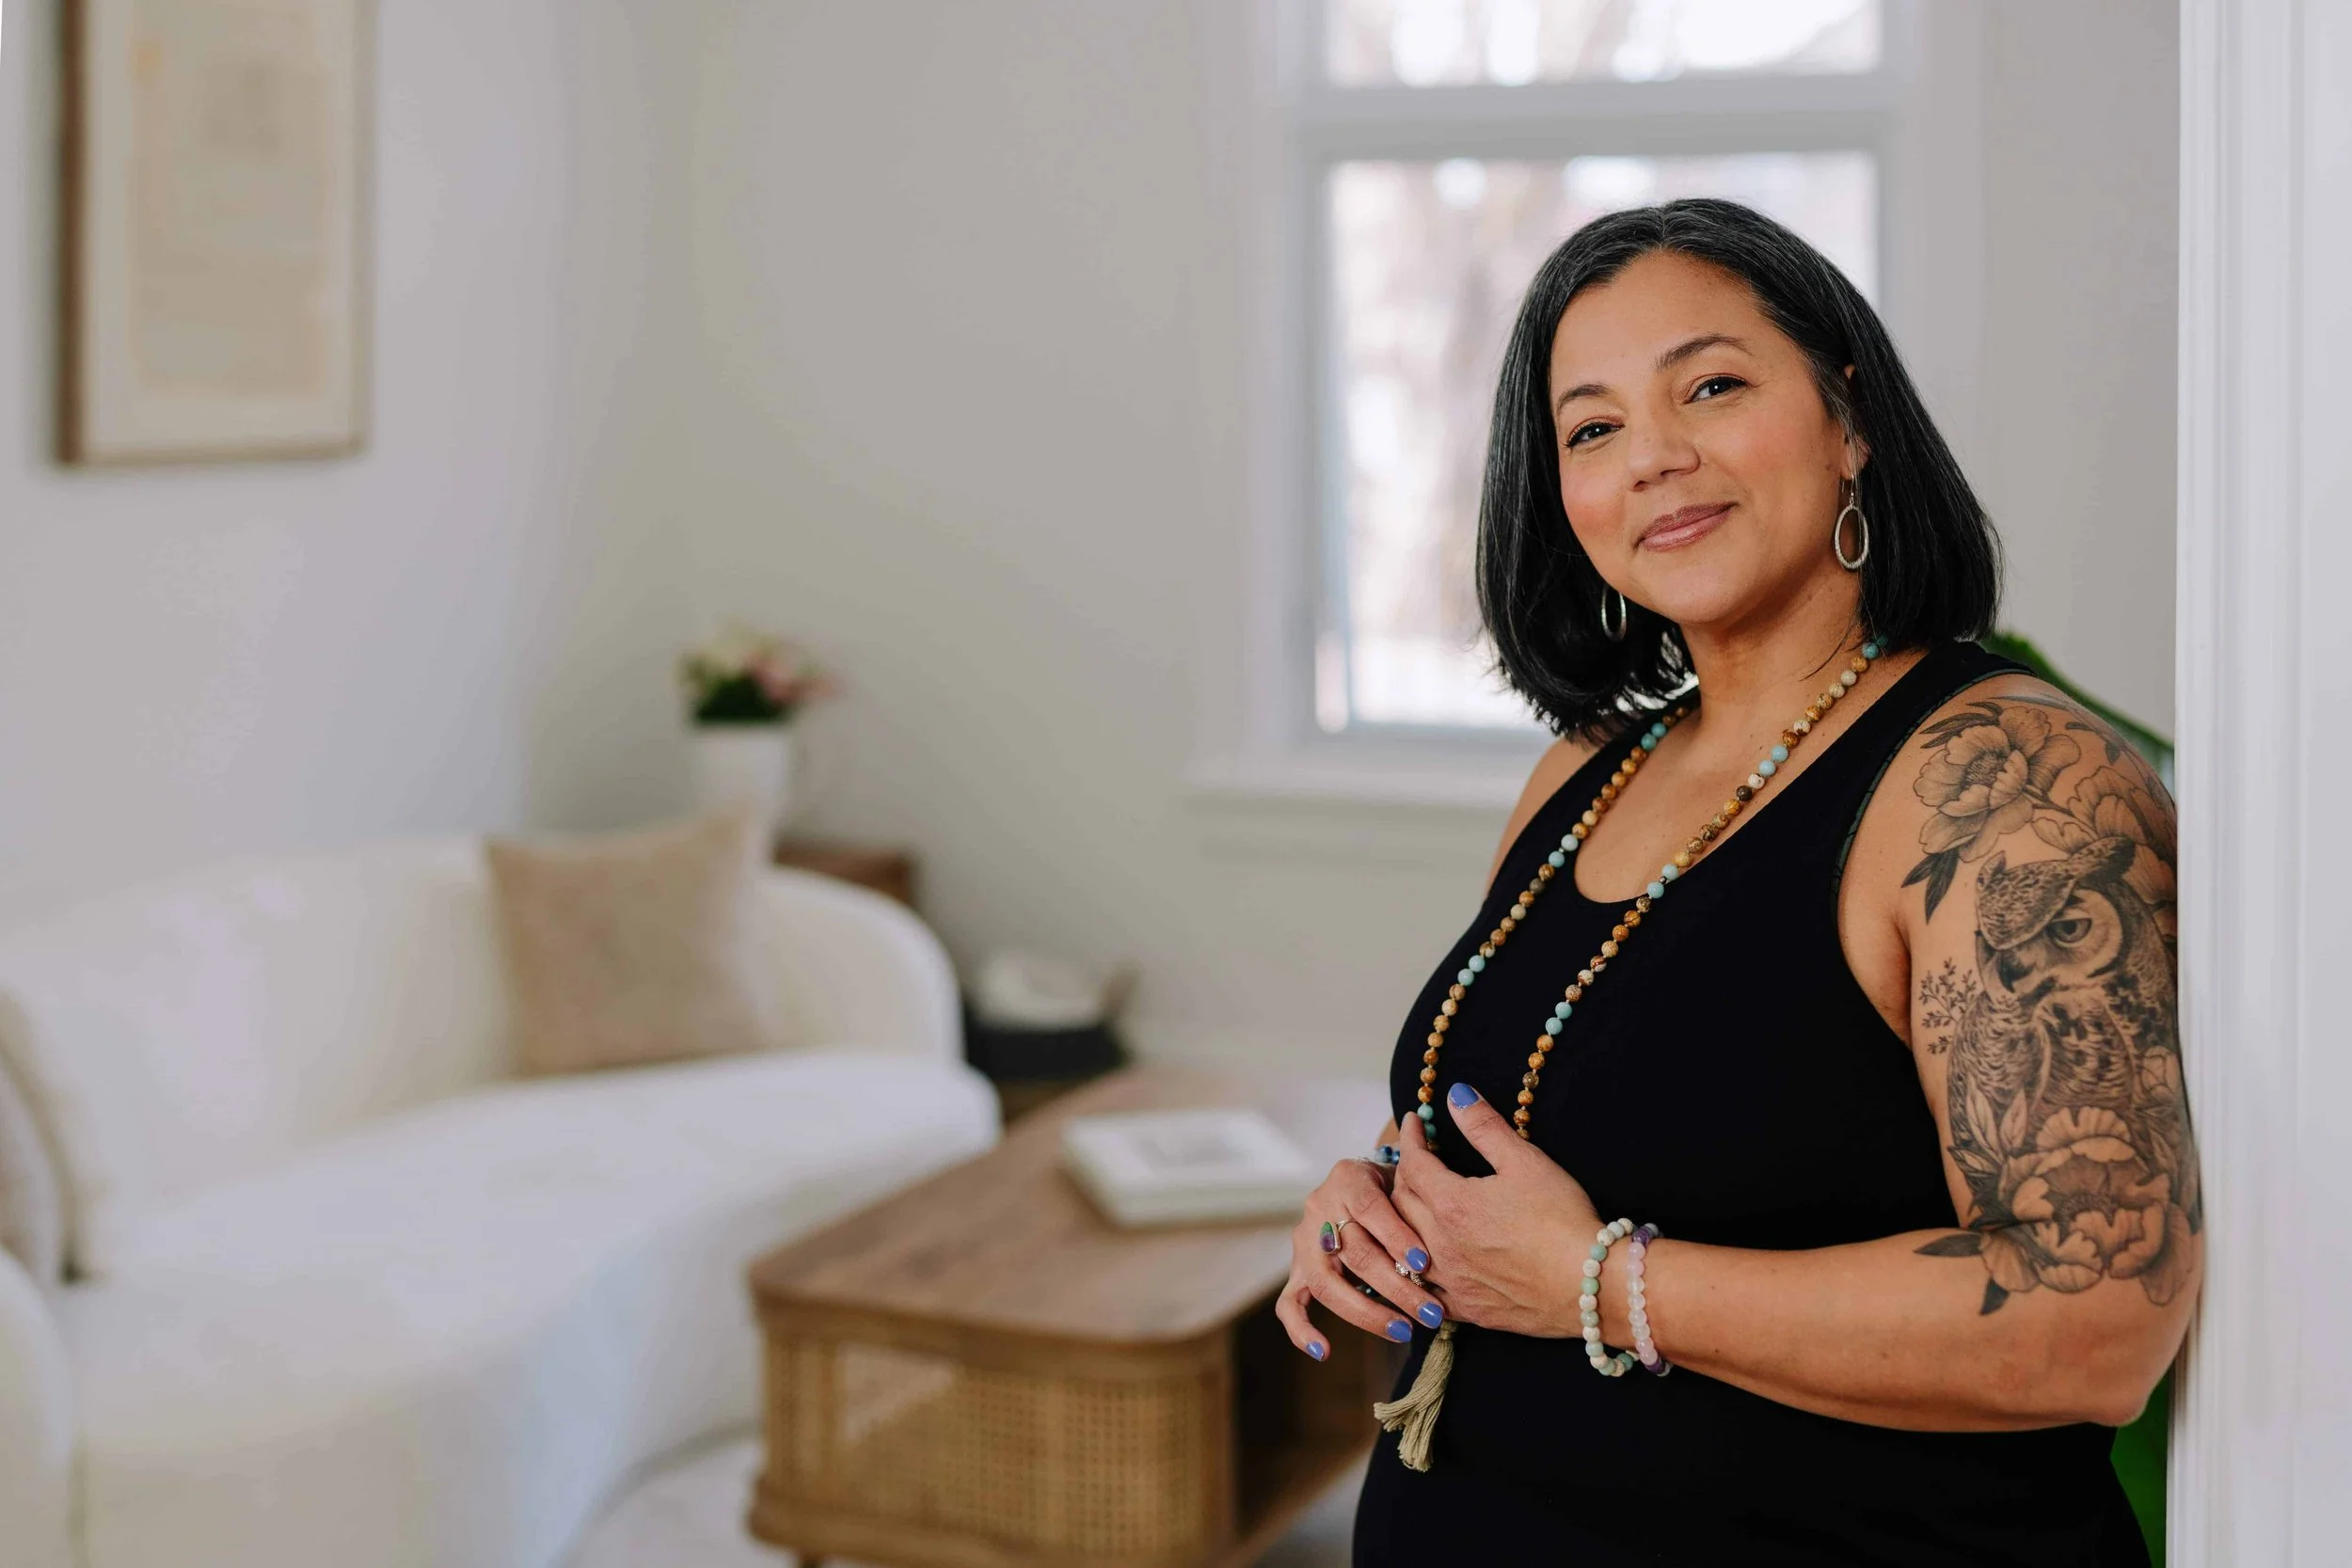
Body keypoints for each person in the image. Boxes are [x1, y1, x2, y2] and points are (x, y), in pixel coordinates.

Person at [1274, 198, 2195, 1565]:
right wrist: (1394, 1214)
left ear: (1850, 419)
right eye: (1591, 428)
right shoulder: (1586, 768)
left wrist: (1597, 1281)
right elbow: (1585, 1123)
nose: (1654, 456)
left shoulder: (1999, 775)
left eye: (1710, 384)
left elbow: (2095, 1317)